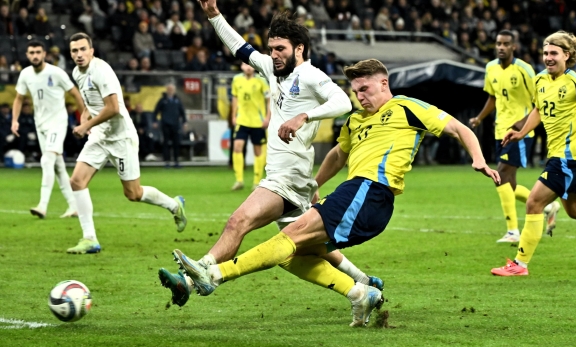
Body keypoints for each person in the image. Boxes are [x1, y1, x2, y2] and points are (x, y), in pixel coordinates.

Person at [167, 58, 500, 326]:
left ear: (384, 83)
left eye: (365, 89)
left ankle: (214, 274)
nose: (360, 96)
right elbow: (339, 154)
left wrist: (479, 159)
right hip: (354, 193)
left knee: (290, 235)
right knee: (293, 255)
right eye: (356, 91)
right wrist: (317, 185)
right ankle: (357, 292)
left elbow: (457, 127)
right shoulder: (355, 121)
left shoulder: (406, 107)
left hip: (371, 191)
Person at [158, 2, 379, 308]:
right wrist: (213, 16)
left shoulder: (311, 75)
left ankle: (195, 276)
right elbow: (239, 46)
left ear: (299, 48)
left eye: (281, 49)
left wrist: (304, 117)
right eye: (271, 49)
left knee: (239, 221)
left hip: (288, 178)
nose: (274, 55)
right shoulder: (273, 72)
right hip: (291, 180)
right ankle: (365, 284)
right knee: (307, 250)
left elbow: (342, 102)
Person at [491, 31, 576, 276]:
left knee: (534, 202)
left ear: (567, 55)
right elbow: (538, 109)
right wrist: (521, 131)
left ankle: (519, 265)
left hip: (568, 156)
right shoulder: (540, 80)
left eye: (553, 53)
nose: (548, 58)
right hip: (558, 154)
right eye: (546, 53)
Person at [67, 33, 187, 254]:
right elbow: (91, 103)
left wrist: (85, 126)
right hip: (100, 137)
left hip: (122, 138)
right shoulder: (77, 72)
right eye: (74, 51)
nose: (79, 54)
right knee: (76, 181)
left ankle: (174, 205)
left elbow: (112, 108)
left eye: (83, 49)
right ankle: (89, 239)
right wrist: (85, 117)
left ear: (92, 51)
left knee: (133, 193)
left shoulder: (101, 71)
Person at [469, 30, 559, 243]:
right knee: (509, 184)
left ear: (514, 47)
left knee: (500, 175)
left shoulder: (524, 69)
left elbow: (540, 98)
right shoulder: (490, 68)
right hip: (500, 130)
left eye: (506, 44)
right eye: (499, 43)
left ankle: (512, 231)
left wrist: (522, 123)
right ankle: (547, 205)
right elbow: (493, 96)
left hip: (520, 133)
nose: (501, 47)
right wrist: (480, 118)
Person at [11, 41, 84, 219]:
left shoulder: (56, 72)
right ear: (27, 55)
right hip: (40, 123)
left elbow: (75, 93)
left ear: (44, 54)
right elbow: (19, 98)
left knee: (46, 160)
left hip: (57, 122)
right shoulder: (25, 74)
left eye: (38, 52)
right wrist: (14, 120)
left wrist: (84, 118)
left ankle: (43, 205)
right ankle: (74, 206)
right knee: (58, 166)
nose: (35, 55)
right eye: (31, 53)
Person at [230, 62, 270, 190]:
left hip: (257, 121)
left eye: (250, 65)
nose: (248, 67)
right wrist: (233, 115)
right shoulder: (236, 79)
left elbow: (269, 99)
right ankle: (239, 180)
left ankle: (257, 181)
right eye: (245, 64)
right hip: (242, 120)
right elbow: (235, 98)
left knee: (257, 150)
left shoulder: (261, 80)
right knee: (237, 147)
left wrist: (268, 117)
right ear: (241, 66)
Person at [153, 84, 186, 168]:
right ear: (167, 90)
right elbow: (156, 111)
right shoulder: (163, 100)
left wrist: (185, 122)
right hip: (165, 124)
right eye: (169, 89)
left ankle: (176, 161)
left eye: (172, 89)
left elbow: (182, 112)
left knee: (176, 143)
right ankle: (167, 162)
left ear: (174, 91)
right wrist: (155, 121)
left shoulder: (177, 100)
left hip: (175, 124)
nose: (170, 91)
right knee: (166, 143)